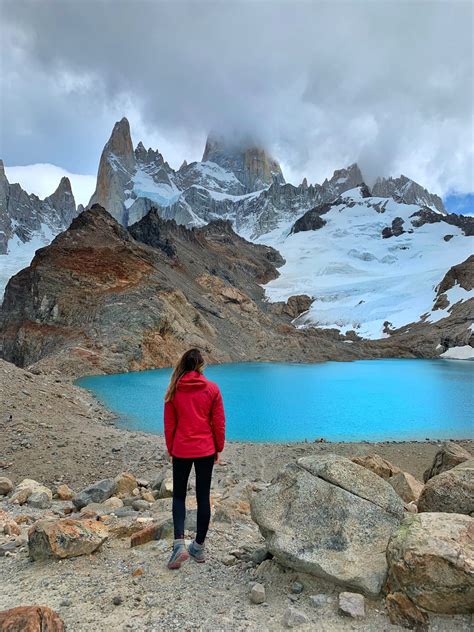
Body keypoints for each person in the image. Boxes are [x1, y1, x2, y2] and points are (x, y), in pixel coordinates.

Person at [163, 348, 225, 570]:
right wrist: (218, 447)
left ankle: (179, 544)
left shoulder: (173, 390)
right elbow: (218, 423)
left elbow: (170, 424)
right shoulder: (212, 389)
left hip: (181, 449)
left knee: (179, 496)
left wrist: (171, 449)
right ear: (200, 366)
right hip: (205, 450)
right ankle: (198, 547)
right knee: (203, 497)